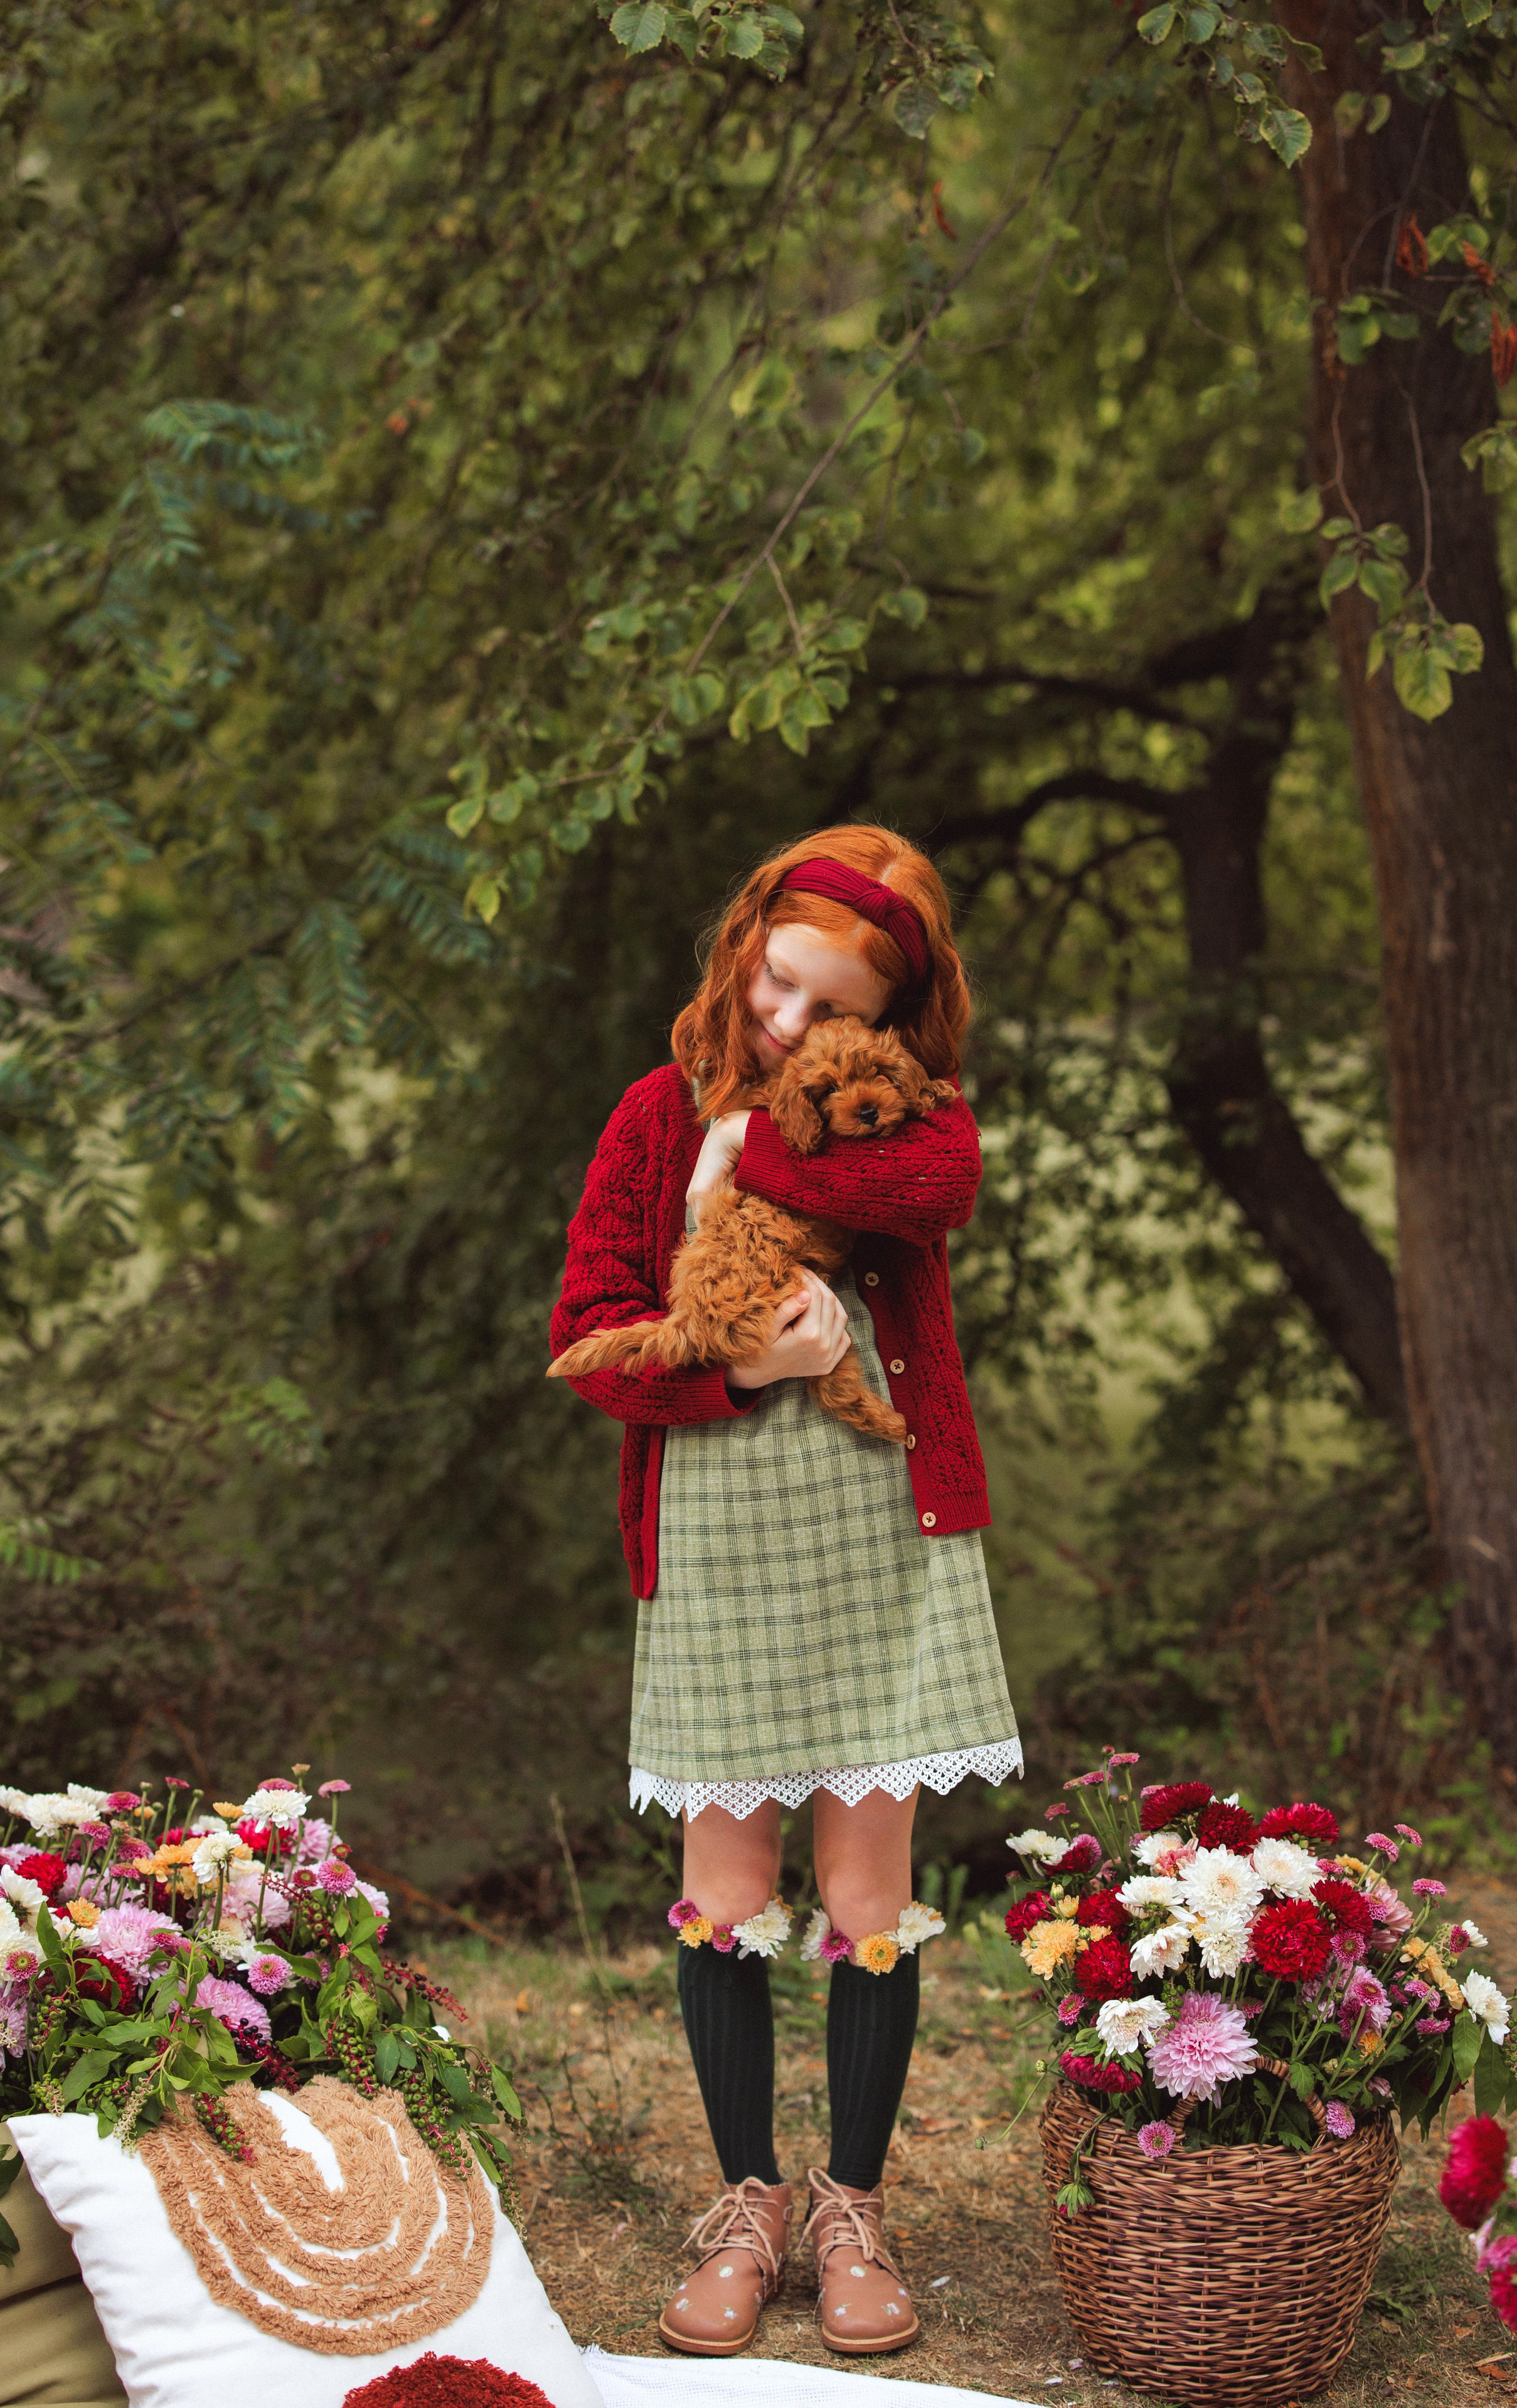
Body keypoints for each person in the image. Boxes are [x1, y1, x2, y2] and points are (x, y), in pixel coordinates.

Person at [549, 825, 1020, 2358]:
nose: (788, 1024)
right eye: (776, 982)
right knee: (728, 1888)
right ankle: (745, 2200)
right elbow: (595, 1323)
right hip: (719, 1531)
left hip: (883, 1524)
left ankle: (853, 2206)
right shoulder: (646, 1113)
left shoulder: (904, 1124)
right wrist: (758, 1361)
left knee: (867, 1890)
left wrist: (752, 1151)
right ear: (744, 942)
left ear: (885, 1016)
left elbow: (939, 1179)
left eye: (828, 1006)